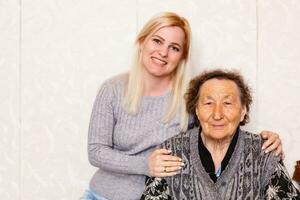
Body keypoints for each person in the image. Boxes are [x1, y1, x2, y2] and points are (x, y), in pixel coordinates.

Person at [82, 12, 283, 200]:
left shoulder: (192, 97)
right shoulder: (112, 89)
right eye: (157, 41)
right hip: (102, 195)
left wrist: (265, 144)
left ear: (182, 57)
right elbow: (96, 151)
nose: (163, 52)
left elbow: (217, 133)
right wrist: (145, 165)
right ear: (142, 42)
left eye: (174, 48)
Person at [141, 69, 300, 199]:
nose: (217, 114)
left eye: (227, 103)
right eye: (209, 103)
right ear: (197, 110)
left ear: (243, 110)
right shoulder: (171, 151)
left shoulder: (264, 151)